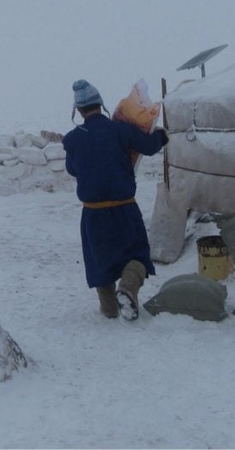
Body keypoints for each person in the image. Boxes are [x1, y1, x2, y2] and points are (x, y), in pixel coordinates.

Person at [63, 79, 169, 320]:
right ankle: (128, 289)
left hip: (93, 213)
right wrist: (161, 135)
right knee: (138, 253)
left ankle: (109, 309)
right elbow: (150, 146)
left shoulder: (73, 139)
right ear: (101, 104)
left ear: (78, 110)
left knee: (101, 260)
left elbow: (72, 169)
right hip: (124, 210)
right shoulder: (120, 130)